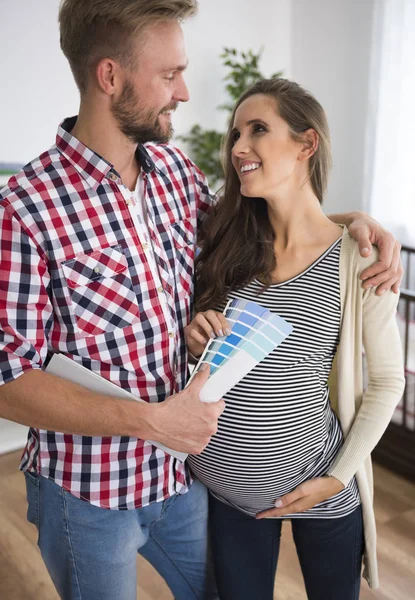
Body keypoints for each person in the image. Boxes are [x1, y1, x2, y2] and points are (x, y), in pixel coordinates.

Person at [0, 0, 402, 598]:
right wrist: (153, 421)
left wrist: (354, 224)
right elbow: (8, 380)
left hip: (183, 481)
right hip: (88, 497)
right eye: (169, 75)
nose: (184, 92)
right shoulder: (25, 207)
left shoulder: (174, 174)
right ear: (110, 77)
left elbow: (259, 226)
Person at [186, 78, 405, 600]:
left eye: (258, 129)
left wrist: (339, 477)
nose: (238, 147)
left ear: (307, 144)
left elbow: (388, 381)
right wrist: (197, 339)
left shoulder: (359, 257)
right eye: (236, 133)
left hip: (323, 488)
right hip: (224, 493)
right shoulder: (222, 238)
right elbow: (203, 349)